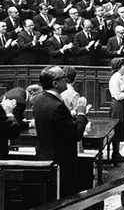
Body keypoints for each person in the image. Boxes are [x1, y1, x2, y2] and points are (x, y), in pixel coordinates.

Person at [32, 65, 90, 197]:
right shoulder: (57, 106)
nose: (66, 80)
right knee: (64, 197)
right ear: (55, 83)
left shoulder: (40, 99)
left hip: (44, 154)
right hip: (61, 160)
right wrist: (81, 114)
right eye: (63, 78)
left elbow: (57, 125)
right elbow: (75, 134)